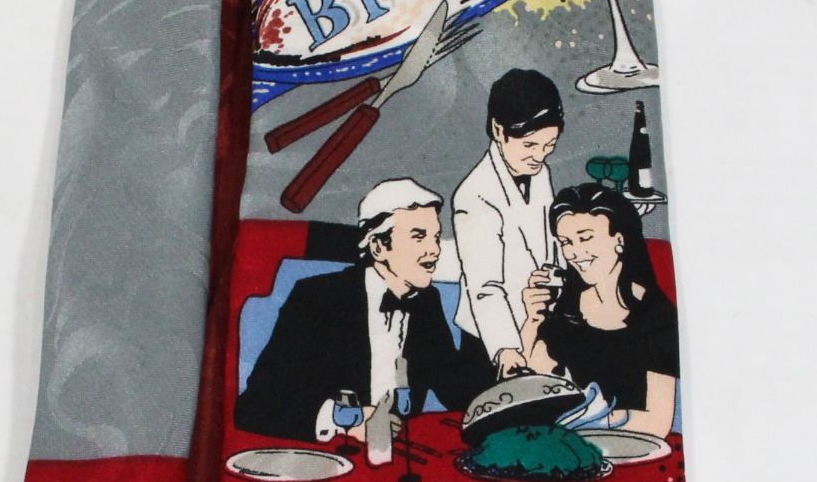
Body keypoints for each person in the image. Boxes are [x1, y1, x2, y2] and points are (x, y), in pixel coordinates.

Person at [235, 178, 493, 443]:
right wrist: (346, 421)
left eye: (435, 237)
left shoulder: (425, 301)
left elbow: (460, 394)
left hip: (397, 457)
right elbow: (256, 405)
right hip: (330, 455)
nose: (434, 250)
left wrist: (478, 305)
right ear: (379, 247)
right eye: (419, 237)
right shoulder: (318, 298)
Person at [520, 182, 679, 436]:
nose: (575, 252)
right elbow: (536, 382)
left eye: (585, 238)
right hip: (567, 441)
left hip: (631, 445)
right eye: (566, 242)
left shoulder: (655, 315)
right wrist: (532, 319)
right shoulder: (568, 305)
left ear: (619, 239)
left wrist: (578, 420)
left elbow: (657, 423)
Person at [452, 68, 565, 381]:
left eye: (549, 145)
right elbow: (484, 287)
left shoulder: (539, 172)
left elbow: (550, 240)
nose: (539, 156)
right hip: (489, 341)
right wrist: (506, 350)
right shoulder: (475, 195)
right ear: (498, 130)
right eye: (530, 145)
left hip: (538, 325)